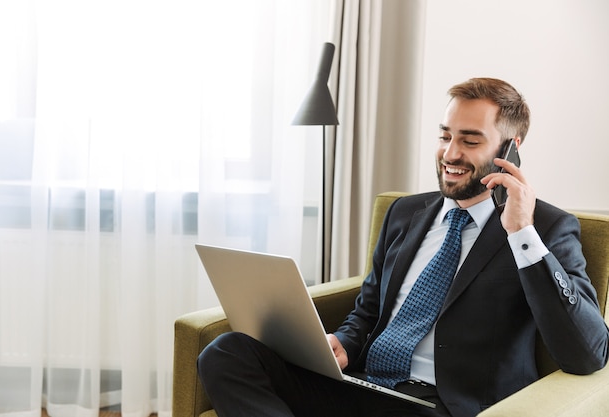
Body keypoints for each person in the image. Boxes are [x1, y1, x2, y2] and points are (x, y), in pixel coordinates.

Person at [197, 77, 609, 417]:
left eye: (469, 140)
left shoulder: (547, 228)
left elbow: (588, 354)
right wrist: (345, 341)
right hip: (361, 385)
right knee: (228, 352)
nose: (449, 153)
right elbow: (369, 309)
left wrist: (522, 233)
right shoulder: (405, 212)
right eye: (445, 136)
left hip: (437, 404)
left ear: (510, 148)